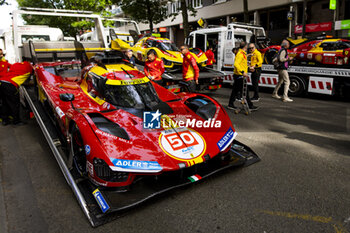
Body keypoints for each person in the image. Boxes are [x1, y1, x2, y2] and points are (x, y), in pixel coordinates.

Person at [228, 41, 258, 111]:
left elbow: (242, 64)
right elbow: (236, 64)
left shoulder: (242, 54)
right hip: (239, 75)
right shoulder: (240, 54)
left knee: (235, 91)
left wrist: (249, 68)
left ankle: (230, 104)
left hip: (239, 75)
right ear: (246, 46)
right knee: (245, 91)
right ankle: (249, 105)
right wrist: (242, 72)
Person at [0, 60, 32, 125]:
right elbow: (28, 81)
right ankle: (16, 121)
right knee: (15, 104)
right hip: (11, 85)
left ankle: (5, 120)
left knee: (5, 103)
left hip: (2, 82)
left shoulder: (16, 65)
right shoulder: (29, 68)